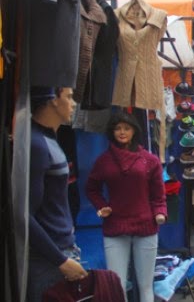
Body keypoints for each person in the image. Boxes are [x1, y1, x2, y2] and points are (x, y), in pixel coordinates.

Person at [86, 112, 167, 301]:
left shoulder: (150, 160)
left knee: (146, 285)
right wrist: (101, 206)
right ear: (111, 132)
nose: (122, 132)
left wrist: (160, 212)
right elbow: (91, 188)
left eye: (126, 128)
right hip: (115, 227)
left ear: (134, 131)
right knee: (117, 286)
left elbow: (158, 195)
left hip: (146, 226)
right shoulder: (103, 161)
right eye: (117, 128)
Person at [27, 87, 88, 302]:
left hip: (61, 250)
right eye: (69, 97)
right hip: (49, 259)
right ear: (53, 99)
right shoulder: (37, 144)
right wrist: (60, 260)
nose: (73, 104)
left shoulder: (49, 139)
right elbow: (24, 215)